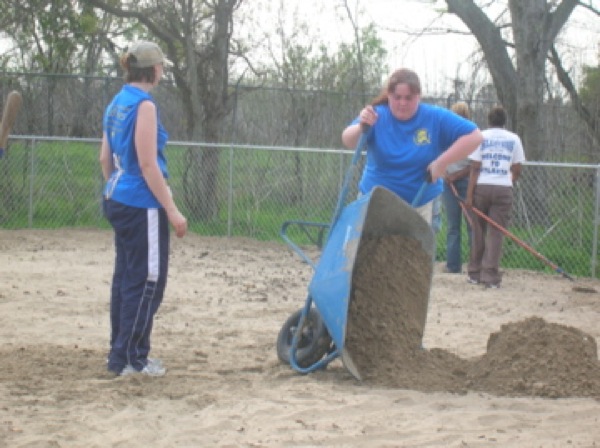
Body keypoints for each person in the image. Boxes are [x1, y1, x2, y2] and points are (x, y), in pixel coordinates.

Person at [99, 41, 188, 377]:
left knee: (126, 277)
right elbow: (149, 164)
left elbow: (105, 159)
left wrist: (116, 190)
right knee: (148, 280)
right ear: (153, 70)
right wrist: (172, 210)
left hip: (117, 197)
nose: (163, 71)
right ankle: (132, 360)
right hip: (141, 204)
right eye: (161, 66)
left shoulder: (116, 102)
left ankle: (119, 355)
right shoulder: (144, 105)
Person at [341, 68, 483, 227]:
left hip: (420, 203)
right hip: (375, 202)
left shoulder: (435, 117)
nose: (402, 103)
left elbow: (475, 136)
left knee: (415, 251)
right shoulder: (376, 115)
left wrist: (442, 162)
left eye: (409, 98)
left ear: (418, 96)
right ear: (389, 95)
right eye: (397, 97)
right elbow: (348, 140)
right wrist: (362, 126)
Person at [465, 105, 526, 289]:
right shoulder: (514, 139)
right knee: (496, 233)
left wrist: (469, 195)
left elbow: (475, 167)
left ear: (489, 120)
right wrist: (507, 180)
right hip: (503, 188)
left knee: (478, 230)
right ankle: (490, 276)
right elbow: (517, 168)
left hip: (481, 187)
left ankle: (474, 273)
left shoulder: (481, 137)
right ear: (504, 121)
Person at [442, 101, 473, 273]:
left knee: (471, 224)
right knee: (453, 226)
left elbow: (474, 166)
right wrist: (444, 174)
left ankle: (475, 263)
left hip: (467, 184)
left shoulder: (471, 136)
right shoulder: (446, 136)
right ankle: (453, 265)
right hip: (448, 185)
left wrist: (456, 176)